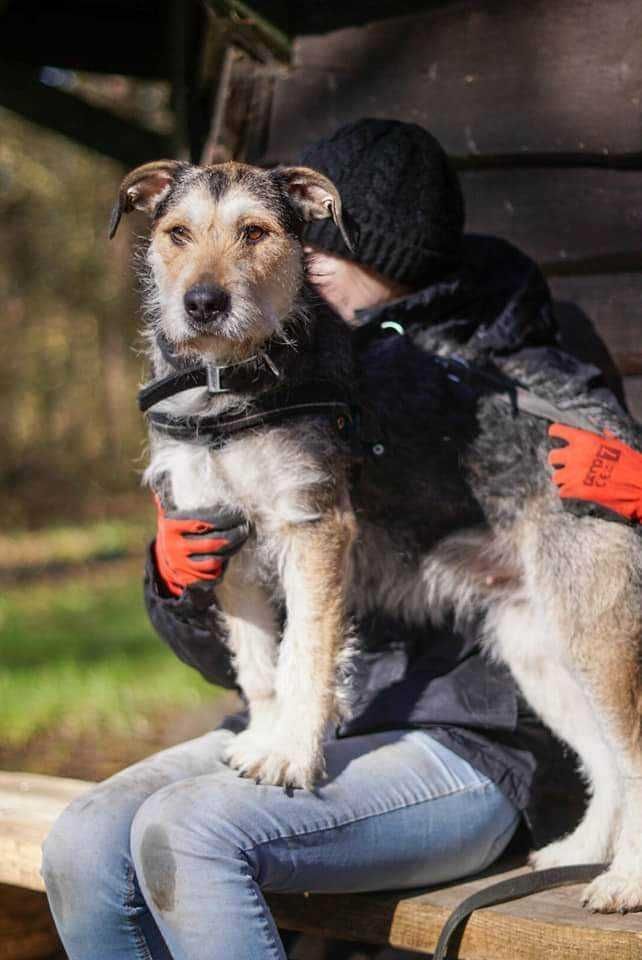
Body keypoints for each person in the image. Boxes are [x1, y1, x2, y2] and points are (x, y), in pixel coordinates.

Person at [43, 119, 602, 960]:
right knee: (83, 840)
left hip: (470, 741)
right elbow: (225, 631)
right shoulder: (263, 373)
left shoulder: (521, 361)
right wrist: (176, 582)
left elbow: (603, 546)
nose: (309, 264)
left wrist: (626, 479)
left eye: (292, 240)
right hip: (323, 717)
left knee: (191, 838)